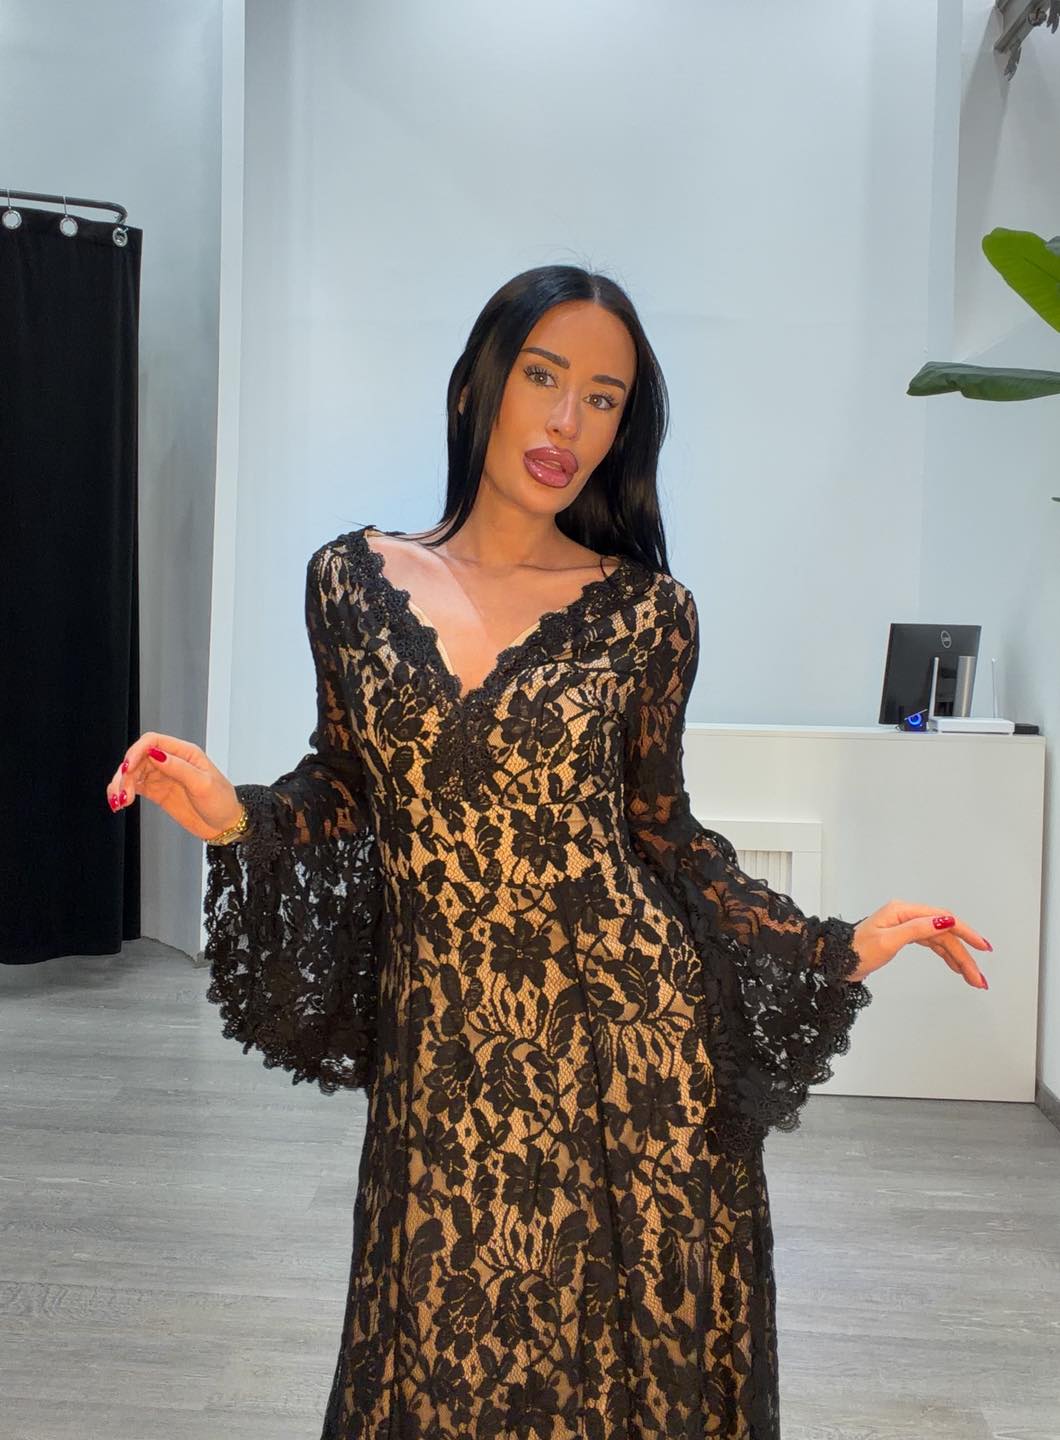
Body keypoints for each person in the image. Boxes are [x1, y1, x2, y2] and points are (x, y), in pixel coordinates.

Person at [106, 265, 991, 1440]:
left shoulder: (647, 615)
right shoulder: (352, 582)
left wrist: (831, 943)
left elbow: (663, 836)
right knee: (436, 1361)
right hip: (443, 1062)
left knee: (615, 1387)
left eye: (604, 398)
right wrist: (232, 814)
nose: (568, 421)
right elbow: (350, 784)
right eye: (543, 377)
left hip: (630, 1051)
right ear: (476, 384)